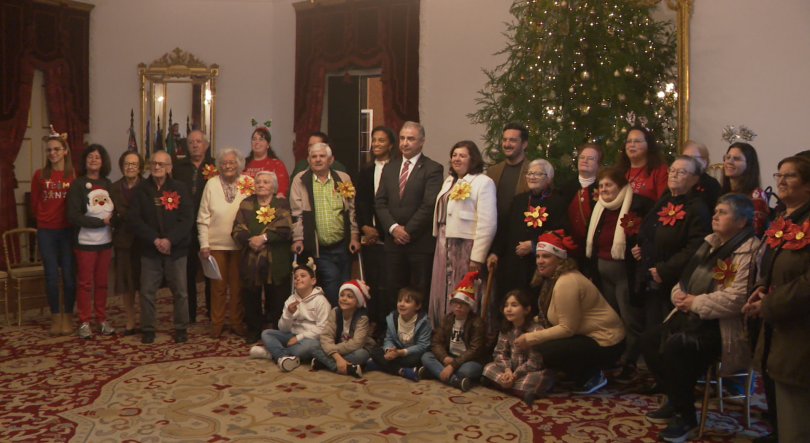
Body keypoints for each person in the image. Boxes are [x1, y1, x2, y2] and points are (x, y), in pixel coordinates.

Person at [641, 193, 759, 443]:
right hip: (691, 315)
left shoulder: (750, 250)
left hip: (725, 326)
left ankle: (685, 417)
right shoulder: (709, 243)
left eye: (723, 212)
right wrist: (678, 295)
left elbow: (737, 299)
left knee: (676, 348)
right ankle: (677, 399)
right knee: (649, 340)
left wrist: (695, 302)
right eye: (715, 211)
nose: (715, 216)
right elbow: (683, 280)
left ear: (741, 221)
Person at [743, 156, 810, 443]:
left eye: (789, 176)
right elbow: (771, 261)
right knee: (780, 402)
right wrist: (761, 286)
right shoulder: (786, 217)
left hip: (799, 329)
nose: (780, 181)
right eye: (779, 175)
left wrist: (768, 304)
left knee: (797, 415)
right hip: (777, 325)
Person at [629, 156, 713, 378]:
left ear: (695, 178)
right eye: (672, 171)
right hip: (651, 275)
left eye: (681, 172)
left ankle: (670, 379)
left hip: (673, 280)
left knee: (666, 331)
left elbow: (696, 247)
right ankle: (658, 375)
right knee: (651, 327)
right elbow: (651, 230)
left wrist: (666, 269)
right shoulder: (666, 197)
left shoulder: (697, 207)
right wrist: (641, 247)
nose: (674, 175)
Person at [516, 230, 626, 395]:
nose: (540, 261)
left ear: (560, 259)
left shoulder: (566, 282)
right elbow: (550, 315)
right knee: (538, 341)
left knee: (543, 349)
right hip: (586, 336)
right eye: (538, 256)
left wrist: (529, 337)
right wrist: (524, 322)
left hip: (606, 342)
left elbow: (567, 328)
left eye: (546, 256)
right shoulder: (553, 279)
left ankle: (591, 375)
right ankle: (573, 372)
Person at [585, 165, 654, 382]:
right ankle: (613, 359)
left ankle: (631, 362)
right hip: (602, 271)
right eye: (601, 185)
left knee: (629, 319)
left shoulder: (638, 205)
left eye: (609, 185)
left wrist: (642, 248)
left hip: (626, 273)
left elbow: (649, 236)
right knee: (610, 318)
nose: (604, 189)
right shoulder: (599, 207)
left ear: (621, 186)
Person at [375, 122, 444, 313]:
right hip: (393, 243)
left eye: (411, 139)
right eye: (402, 138)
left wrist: (407, 231)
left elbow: (429, 205)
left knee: (421, 291)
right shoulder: (390, 168)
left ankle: (421, 330)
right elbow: (380, 202)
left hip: (419, 243)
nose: (405, 143)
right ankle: (394, 328)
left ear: (421, 141)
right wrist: (394, 229)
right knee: (392, 291)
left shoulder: (433, 168)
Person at [429, 141, 496, 327]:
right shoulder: (449, 181)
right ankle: (445, 329)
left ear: (472, 159)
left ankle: (467, 332)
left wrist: (478, 256)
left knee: (465, 289)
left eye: (462, 155)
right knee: (443, 289)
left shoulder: (483, 182)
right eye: (454, 155)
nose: (457, 159)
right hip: (444, 245)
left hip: (466, 246)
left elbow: (487, 222)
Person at [129, 151, 194, 344]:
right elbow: (135, 219)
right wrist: (155, 240)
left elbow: (187, 219)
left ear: (169, 168)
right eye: (154, 163)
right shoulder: (140, 190)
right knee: (147, 292)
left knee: (180, 291)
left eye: (161, 164)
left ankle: (181, 327)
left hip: (176, 249)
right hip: (150, 249)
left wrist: (169, 240)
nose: (157, 167)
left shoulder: (180, 188)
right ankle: (148, 328)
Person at [487, 159, 569, 310]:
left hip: (537, 265)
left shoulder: (557, 202)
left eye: (537, 174)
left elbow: (559, 232)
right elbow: (504, 230)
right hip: (513, 264)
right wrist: (495, 252)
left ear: (548, 179)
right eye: (529, 173)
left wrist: (533, 245)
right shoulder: (519, 200)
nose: (532, 177)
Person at [290, 142, 361, 306]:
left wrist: (354, 236)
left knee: (345, 283)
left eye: (322, 156)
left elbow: (352, 210)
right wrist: (298, 238)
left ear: (330, 159)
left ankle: (342, 318)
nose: (318, 160)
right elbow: (297, 213)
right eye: (314, 156)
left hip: (342, 244)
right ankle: (331, 316)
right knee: (332, 280)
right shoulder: (300, 180)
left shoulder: (343, 178)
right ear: (308, 160)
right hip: (319, 247)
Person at [232, 170, 292, 343]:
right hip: (251, 258)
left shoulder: (281, 204)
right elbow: (237, 229)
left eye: (266, 182)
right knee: (251, 296)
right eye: (258, 182)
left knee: (277, 297)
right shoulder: (246, 203)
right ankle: (253, 330)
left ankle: (278, 330)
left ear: (273, 187)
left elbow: (285, 229)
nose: (261, 185)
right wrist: (252, 240)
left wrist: (264, 238)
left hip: (277, 259)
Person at [197, 147, 251, 338]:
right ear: (219, 165)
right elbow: (203, 217)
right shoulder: (211, 184)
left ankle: (236, 322)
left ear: (239, 164)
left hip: (241, 245)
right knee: (218, 287)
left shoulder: (248, 182)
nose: (228, 166)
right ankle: (217, 323)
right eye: (224, 163)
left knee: (237, 286)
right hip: (216, 244)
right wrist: (204, 243)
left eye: (232, 162)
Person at [66, 144, 115, 339]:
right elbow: (73, 216)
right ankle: (84, 321)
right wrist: (100, 222)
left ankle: (101, 319)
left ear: (103, 162)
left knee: (102, 283)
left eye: (97, 157)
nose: (94, 160)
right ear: (85, 161)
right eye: (90, 157)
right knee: (85, 283)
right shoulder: (77, 185)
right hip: (85, 243)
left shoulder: (108, 183)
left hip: (105, 242)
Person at [31, 128, 76, 336]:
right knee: (50, 276)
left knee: (68, 276)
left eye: (56, 149)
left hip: (67, 231)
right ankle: (55, 317)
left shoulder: (73, 175)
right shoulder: (40, 175)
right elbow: (34, 203)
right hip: (46, 231)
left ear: (65, 151)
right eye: (49, 150)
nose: (52, 153)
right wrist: (43, 219)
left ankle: (68, 316)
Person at [249, 259, 330, 372]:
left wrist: (298, 338)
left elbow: (322, 329)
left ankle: (273, 354)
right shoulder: (291, 300)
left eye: (302, 276)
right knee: (267, 333)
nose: (298, 279)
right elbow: (283, 328)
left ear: (313, 280)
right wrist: (289, 314)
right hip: (291, 335)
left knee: (312, 345)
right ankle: (283, 356)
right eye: (296, 277)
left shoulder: (321, 301)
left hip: (310, 339)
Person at [356, 125, 397, 334]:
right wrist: (365, 227)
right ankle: (373, 325)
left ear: (391, 144)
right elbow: (361, 201)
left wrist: (381, 231)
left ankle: (388, 327)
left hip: (391, 236)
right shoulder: (366, 169)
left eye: (381, 140)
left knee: (389, 285)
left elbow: (393, 205)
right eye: (374, 140)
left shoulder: (398, 168)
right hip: (369, 236)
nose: (376, 144)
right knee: (372, 282)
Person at [173, 129, 215, 323]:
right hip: (186, 227)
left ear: (206, 145)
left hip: (209, 227)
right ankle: (189, 314)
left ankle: (212, 312)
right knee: (187, 272)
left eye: (199, 142)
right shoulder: (178, 167)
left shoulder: (215, 166)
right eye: (191, 142)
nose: (195, 145)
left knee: (210, 273)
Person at [420, 271, 487, 392]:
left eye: (463, 304)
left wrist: (453, 365)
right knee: (426, 357)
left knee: (468, 371)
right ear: (451, 303)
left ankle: (434, 372)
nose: (458, 307)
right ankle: (455, 380)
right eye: (456, 303)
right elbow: (436, 342)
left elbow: (474, 350)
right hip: (449, 356)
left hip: (468, 360)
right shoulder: (448, 319)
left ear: (470, 306)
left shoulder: (477, 323)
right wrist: (444, 358)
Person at [482, 289, 549, 406]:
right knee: (488, 368)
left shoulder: (536, 330)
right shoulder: (506, 328)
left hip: (527, 372)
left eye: (514, 305)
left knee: (541, 377)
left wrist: (515, 375)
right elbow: (499, 353)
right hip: (510, 369)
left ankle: (503, 385)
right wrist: (507, 371)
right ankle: (519, 391)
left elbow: (535, 361)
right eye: (506, 305)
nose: (508, 309)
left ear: (527, 309)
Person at [109, 150, 144, 335]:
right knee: (126, 282)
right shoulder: (113, 188)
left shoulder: (147, 186)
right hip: (122, 240)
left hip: (143, 240)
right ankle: (130, 319)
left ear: (140, 168)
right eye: (127, 164)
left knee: (144, 282)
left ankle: (146, 318)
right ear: (122, 166)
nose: (130, 167)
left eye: (134, 164)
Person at [310, 280, 375, 378]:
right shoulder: (335, 312)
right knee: (313, 346)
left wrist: (333, 351)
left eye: (349, 296)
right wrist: (337, 357)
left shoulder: (362, 318)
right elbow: (326, 335)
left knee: (361, 354)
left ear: (358, 302)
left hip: (353, 350)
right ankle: (348, 368)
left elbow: (357, 343)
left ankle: (324, 362)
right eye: (342, 295)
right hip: (337, 350)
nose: (344, 299)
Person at [367, 287, 431, 381]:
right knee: (375, 352)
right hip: (396, 351)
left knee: (417, 359)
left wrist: (401, 353)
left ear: (417, 306)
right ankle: (401, 370)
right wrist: (389, 350)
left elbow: (422, 346)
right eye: (400, 300)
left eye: (407, 302)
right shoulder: (392, 318)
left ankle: (379, 365)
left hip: (411, 353)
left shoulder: (423, 321)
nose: (401, 304)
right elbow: (389, 339)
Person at [560, 143, 603, 273]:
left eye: (590, 158)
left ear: (599, 164)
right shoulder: (566, 188)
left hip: (593, 252)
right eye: (582, 157)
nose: (585, 161)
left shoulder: (603, 189)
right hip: (566, 250)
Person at [487, 123, 531, 227]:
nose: (507, 144)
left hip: (520, 230)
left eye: (512, 140)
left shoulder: (533, 171)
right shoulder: (492, 171)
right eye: (504, 140)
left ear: (524, 144)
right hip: (495, 231)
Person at [722, 142, 768, 237]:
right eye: (727, 157)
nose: (729, 161)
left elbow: (754, 232)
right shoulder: (725, 192)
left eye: (736, 158)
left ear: (749, 164)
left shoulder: (756, 195)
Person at [619, 125, 669, 201]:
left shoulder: (661, 170)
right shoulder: (618, 171)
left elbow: (663, 203)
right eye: (628, 141)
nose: (632, 145)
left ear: (648, 145)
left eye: (637, 141)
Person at [243, 126, 289, 198]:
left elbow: (282, 191)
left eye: (261, 139)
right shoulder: (243, 163)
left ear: (268, 144)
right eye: (254, 139)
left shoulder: (277, 164)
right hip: (244, 202)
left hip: (268, 203)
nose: (257, 142)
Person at [681, 140, 721, 208]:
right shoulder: (677, 180)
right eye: (684, 158)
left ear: (704, 162)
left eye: (692, 158)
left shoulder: (711, 184)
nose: (686, 161)